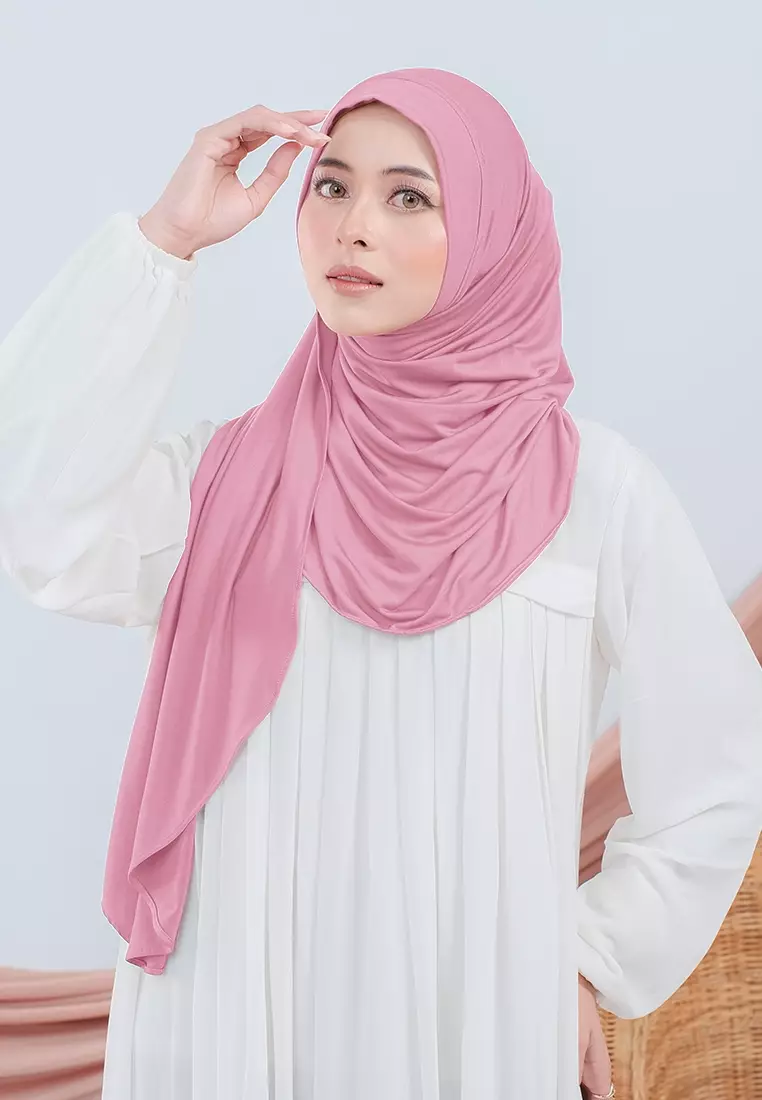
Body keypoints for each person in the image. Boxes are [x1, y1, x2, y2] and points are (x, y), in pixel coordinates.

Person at [0, 67, 761, 1100]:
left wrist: (593, 956)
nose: (354, 225)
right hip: (235, 1017)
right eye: (332, 186)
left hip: (468, 1020)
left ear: (490, 235)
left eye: (410, 196)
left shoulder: (593, 492)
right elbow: (41, 521)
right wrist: (164, 241)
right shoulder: (223, 483)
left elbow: (719, 767)